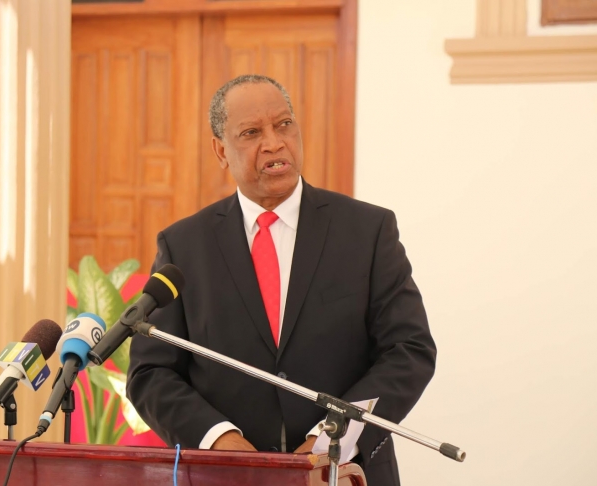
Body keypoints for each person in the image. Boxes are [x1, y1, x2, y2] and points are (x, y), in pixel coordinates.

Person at [127, 74, 436, 486]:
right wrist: (220, 441)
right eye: (252, 132)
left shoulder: (367, 230)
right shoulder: (184, 245)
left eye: (284, 124)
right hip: (226, 478)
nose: (274, 143)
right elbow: (151, 372)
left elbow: (409, 350)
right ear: (221, 150)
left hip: (344, 474)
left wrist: (329, 440)